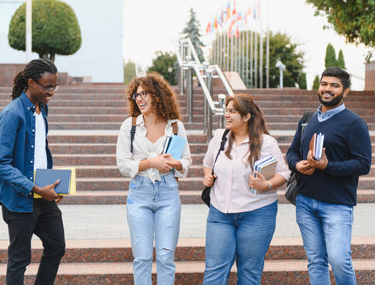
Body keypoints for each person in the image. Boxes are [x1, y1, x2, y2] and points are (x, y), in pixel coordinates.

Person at [286, 67, 372, 285]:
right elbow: (292, 151)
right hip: (305, 201)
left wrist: (327, 166)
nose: (327, 89)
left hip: (337, 204)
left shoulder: (354, 123)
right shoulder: (307, 119)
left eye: (334, 85)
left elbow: (363, 164)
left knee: (339, 260)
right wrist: (298, 165)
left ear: (346, 92)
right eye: (324, 84)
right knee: (315, 260)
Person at [202, 93, 290, 284]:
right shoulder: (219, 137)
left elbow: (283, 173)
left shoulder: (266, 142)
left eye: (232, 111)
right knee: (214, 271)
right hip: (220, 213)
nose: (227, 114)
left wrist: (265, 184)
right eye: (226, 110)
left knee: (249, 271)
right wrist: (207, 175)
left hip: (257, 213)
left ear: (246, 116)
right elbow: (208, 163)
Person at [0, 58, 65, 285]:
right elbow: (1, 163)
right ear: (31, 83)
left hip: (42, 195)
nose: (52, 91)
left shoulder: (42, 109)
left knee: (56, 246)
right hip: (19, 199)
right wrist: (35, 188)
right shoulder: (12, 114)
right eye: (47, 86)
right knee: (19, 259)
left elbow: (39, 151)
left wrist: (53, 184)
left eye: (55, 86)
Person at [116, 74, 192, 285]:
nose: (139, 99)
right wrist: (152, 163)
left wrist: (174, 163)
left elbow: (186, 161)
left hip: (168, 192)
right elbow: (123, 165)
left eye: (144, 94)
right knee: (142, 257)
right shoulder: (129, 126)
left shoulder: (175, 126)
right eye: (136, 95)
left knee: (166, 257)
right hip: (139, 193)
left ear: (157, 96)